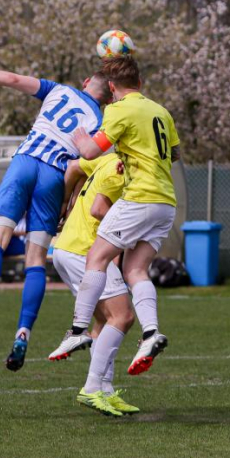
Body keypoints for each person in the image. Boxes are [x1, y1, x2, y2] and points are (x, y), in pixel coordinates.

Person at [0, 65, 112, 371]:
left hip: (25, 163)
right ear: (108, 98)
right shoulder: (100, 121)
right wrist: (67, 205)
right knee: (35, 259)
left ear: (85, 82)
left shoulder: (58, 89)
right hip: (54, 176)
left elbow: (13, 79)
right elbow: (84, 168)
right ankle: (23, 334)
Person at [69, 56, 181, 375]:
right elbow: (172, 154)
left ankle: (78, 330)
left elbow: (91, 151)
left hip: (139, 197)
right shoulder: (161, 111)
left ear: (113, 87)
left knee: (96, 258)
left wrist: (81, 141)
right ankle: (150, 332)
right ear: (141, 84)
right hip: (165, 202)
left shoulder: (118, 109)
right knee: (135, 269)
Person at [49, 153, 139, 416]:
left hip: (68, 247)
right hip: (85, 251)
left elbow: (73, 166)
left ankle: (105, 390)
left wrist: (65, 202)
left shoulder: (107, 158)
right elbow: (99, 209)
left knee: (104, 322)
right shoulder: (118, 169)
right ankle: (91, 388)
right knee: (123, 316)